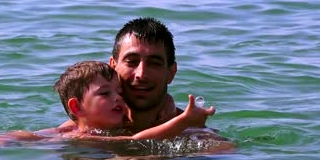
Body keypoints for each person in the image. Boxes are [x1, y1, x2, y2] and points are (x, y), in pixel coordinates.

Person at [0, 61, 233, 154]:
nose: (119, 98)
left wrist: (170, 105)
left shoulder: (107, 125)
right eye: (106, 93)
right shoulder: (72, 134)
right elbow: (137, 140)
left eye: (118, 92)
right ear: (77, 107)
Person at [59, 17, 215, 132]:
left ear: (171, 73)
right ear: (113, 67)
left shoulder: (194, 135)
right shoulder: (80, 129)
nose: (141, 74)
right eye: (131, 61)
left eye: (155, 63)